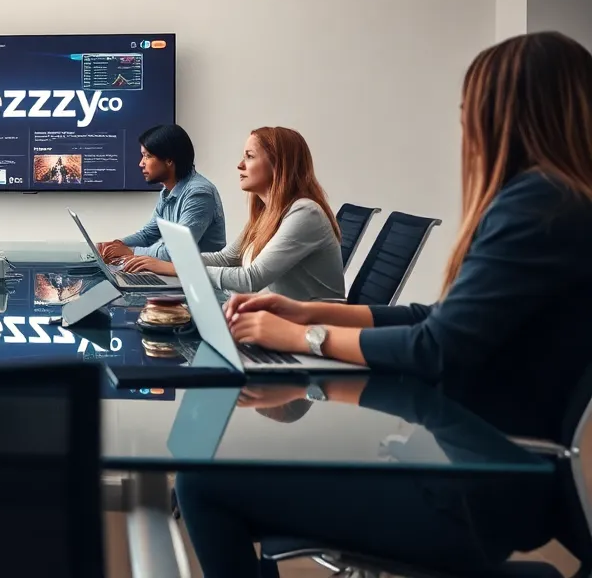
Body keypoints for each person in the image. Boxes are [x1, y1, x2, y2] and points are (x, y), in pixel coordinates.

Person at [176, 31, 592, 576]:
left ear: (507, 114)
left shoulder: (537, 207)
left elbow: (435, 349)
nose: (465, 124)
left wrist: (300, 339)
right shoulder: (557, 202)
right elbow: (439, 321)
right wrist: (310, 312)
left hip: (471, 489)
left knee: (201, 480)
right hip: (474, 462)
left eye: (471, 108)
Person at [121, 127, 343, 301]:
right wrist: (174, 264)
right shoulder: (268, 213)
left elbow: (250, 279)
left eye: (249, 156)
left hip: (311, 333)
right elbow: (227, 258)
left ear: (278, 164)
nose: (240, 165)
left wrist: (179, 268)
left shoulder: (305, 213)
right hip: (276, 322)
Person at [97, 124, 226, 263]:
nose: (141, 163)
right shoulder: (168, 191)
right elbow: (148, 234)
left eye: (148, 156)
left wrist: (130, 252)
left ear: (169, 160)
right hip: (177, 275)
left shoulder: (199, 194)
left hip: (197, 281)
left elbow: (177, 251)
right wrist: (115, 245)